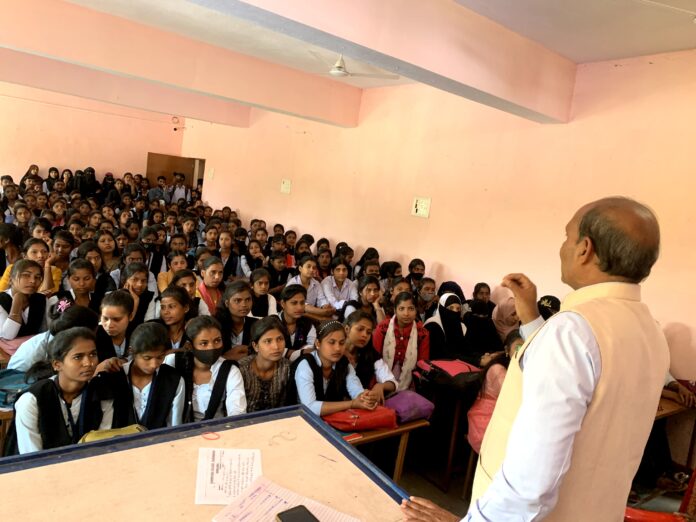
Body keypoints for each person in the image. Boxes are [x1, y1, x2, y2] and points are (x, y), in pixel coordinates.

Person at [402, 197, 670, 522]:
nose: (563, 247)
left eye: (566, 237)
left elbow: (534, 474)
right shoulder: (649, 332)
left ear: (585, 248)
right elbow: (582, 374)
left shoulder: (572, 331)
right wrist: (530, 316)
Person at [9, 327, 117, 454]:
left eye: (93, 354)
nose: (88, 363)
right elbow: (31, 456)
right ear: (57, 365)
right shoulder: (31, 401)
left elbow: (101, 445)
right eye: (78, 357)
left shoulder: (102, 394)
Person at [293, 320, 377, 416]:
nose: (337, 348)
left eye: (341, 343)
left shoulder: (344, 364)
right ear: (318, 344)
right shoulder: (306, 365)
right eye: (331, 342)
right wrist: (351, 404)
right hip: (301, 420)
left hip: (332, 419)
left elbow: (356, 390)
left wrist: (365, 397)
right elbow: (310, 407)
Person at [111, 322, 185, 429]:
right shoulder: (116, 376)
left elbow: (174, 424)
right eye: (147, 358)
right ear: (132, 351)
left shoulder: (174, 380)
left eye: (160, 357)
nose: (154, 364)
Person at [174, 315, 247, 422]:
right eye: (204, 343)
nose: (212, 347)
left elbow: (237, 412)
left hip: (218, 432)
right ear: (190, 346)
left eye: (217, 341)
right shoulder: (174, 362)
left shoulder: (229, 370)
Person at [466, 330, 522, 454]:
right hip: (486, 420)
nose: (522, 352)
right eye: (518, 347)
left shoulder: (513, 366)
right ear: (507, 350)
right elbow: (513, 396)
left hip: (500, 415)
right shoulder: (498, 369)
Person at [372, 292, 429, 392]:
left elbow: (422, 363)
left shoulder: (422, 333)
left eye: (411, 309)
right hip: (380, 378)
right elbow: (374, 357)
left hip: (409, 382)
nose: (406, 313)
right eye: (401, 309)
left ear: (416, 311)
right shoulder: (383, 328)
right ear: (395, 310)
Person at [238, 316, 292, 412]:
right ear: (256, 346)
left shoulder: (287, 368)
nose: (276, 347)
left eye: (280, 339)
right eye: (268, 341)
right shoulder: (241, 370)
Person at [343, 311, 397, 405]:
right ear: (347, 329)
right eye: (360, 329)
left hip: (361, 403)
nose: (365, 335)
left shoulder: (370, 354)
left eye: (368, 332)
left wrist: (381, 386)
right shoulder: (334, 353)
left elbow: (392, 382)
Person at [0, 259, 47, 340]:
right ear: (11, 280)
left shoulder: (41, 299)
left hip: (33, 348)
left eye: (37, 277)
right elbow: (7, 335)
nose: (33, 281)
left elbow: (44, 332)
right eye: (26, 275)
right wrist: (17, 301)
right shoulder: (1, 300)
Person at [214, 280, 257, 360]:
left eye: (248, 300)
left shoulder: (255, 324)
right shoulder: (216, 326)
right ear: (227, 303)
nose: (244, 305)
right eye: (238, 301)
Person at [277, 285, 316, 361]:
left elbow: (311, 346)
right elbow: (271, 348)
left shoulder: (307, 322)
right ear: (283, 304)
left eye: (302, 303)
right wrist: (301, 352)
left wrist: (288, 352)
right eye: (294, 303)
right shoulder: (272, 322)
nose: (299, 307)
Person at [423, 293, 467, 360]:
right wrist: (475, 361)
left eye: (458, 309)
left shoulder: (462, 326)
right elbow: (441, 355)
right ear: (441, 308)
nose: (455, 312)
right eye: (451, 308)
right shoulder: (432, 325)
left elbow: (465, 349)